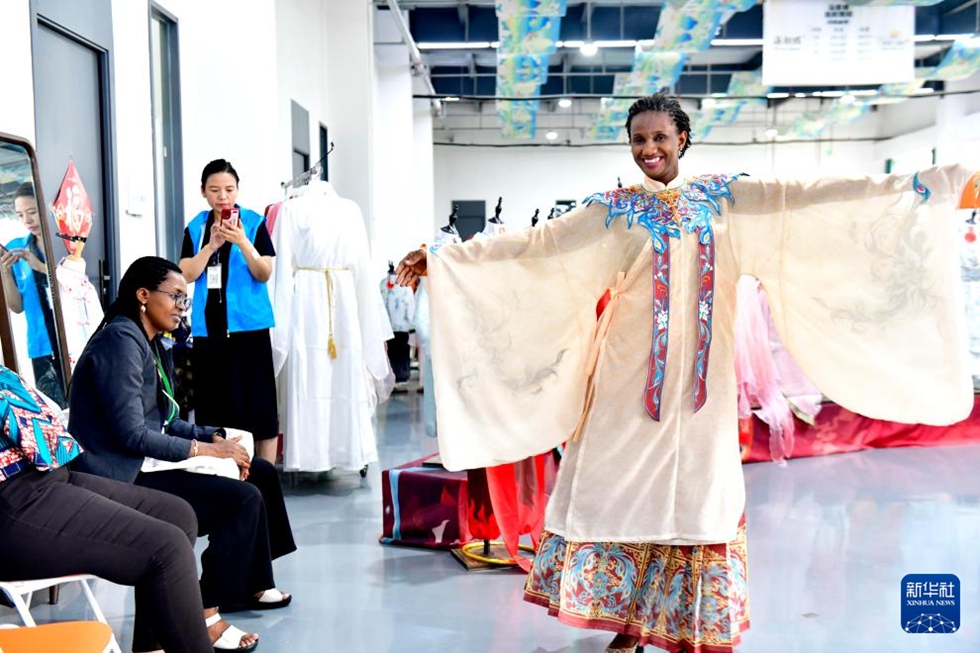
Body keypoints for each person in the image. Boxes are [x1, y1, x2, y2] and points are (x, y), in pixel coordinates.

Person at [395, 92, 974, 653]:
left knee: (699, 499)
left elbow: (809, 199)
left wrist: (924, 185)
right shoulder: (611, 211)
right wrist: (447, 258)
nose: (649, 149)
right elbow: (537, 248)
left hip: (704, 393)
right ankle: (627, 625)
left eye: (660, 137)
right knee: (617, 493)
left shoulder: (729, 201)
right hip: (628, 385)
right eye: (638, 140)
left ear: (683, 139)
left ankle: (684, 623)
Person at [69, 256, 297, 651]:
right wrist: (205, 449)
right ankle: (205, 612)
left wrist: (218, 437)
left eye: (184, 300)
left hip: (132, 466)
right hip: (111, 477)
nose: (181, 307)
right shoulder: (121, 341)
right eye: (175, 297)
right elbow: (132, 434)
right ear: (143, 295)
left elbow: (167, 417)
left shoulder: (149, 341)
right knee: (241, 500)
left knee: (257, 471)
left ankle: (249, 584)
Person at [0, 364, 213, 653]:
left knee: (179, 515)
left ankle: (152, 648)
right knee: (168, 548)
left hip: (48, 474)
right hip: (14, 501)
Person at [178, 159, 279, 463]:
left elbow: (264, 272)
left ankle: (265, 477)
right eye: (215, 190)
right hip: (209, 333)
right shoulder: (196, 226)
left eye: (229, 189)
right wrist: (211, 246)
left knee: (260, 410)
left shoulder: (254, 222)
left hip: (250, 330)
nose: (223, 196)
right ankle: (226, 474)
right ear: (203, 192)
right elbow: (185, 273)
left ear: (237, 190)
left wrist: (243, 242)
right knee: (214, 410)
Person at [0, 182, 66, 406]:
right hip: (40, 344)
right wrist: (5, 272)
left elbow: (72, 287)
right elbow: (16, 306)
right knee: (53, 410)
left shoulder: (63, 245)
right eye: (20, 215)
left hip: (69, 340)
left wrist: (39, 265)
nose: (27, 220)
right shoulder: (15, 246)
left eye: (32, 212)